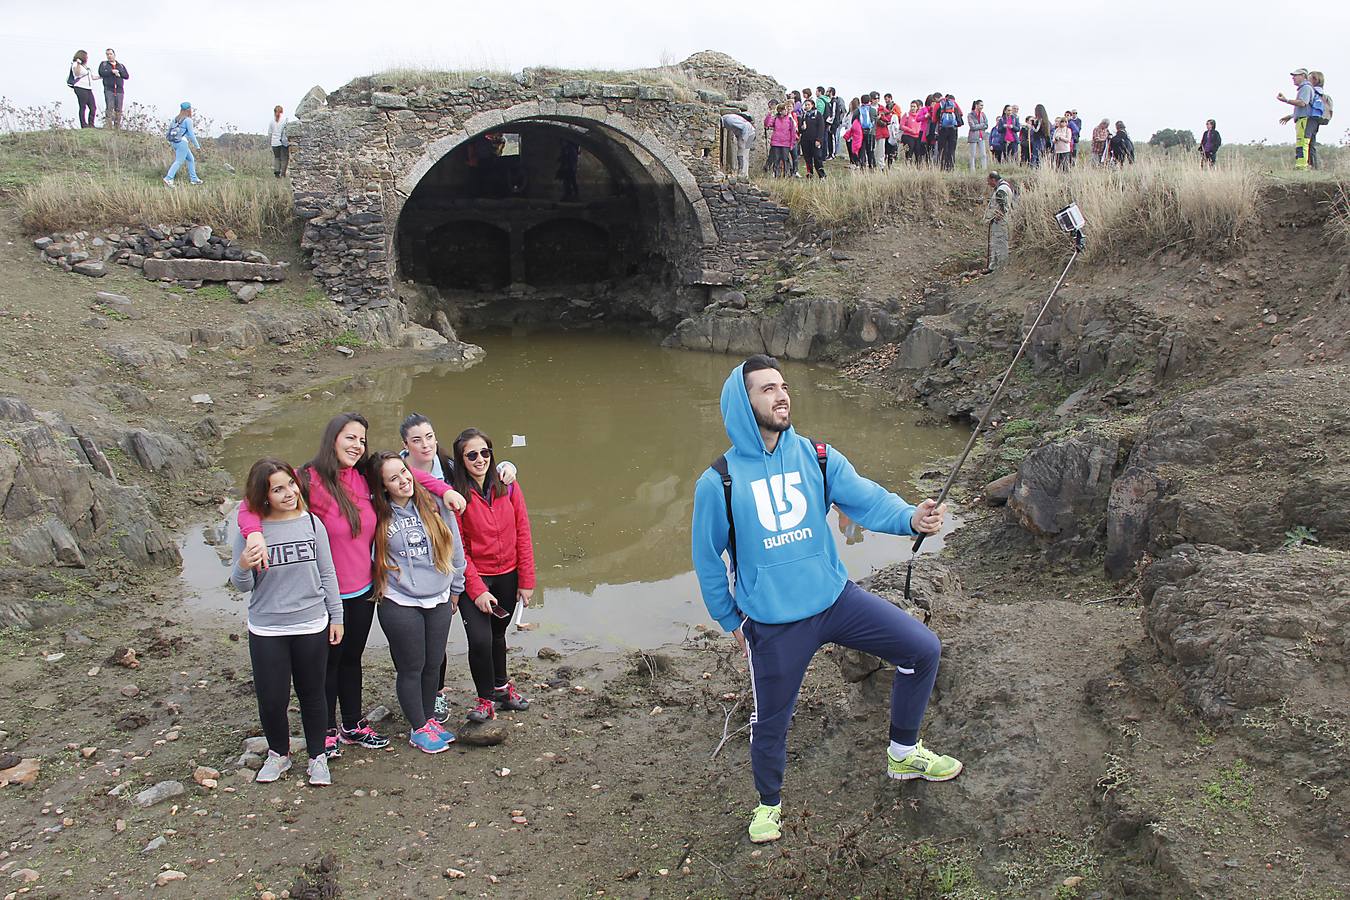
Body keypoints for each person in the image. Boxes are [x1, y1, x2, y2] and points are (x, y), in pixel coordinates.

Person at [691, 355, 960, 845]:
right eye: (766, 389)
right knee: (771, 720)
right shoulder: (719, 481)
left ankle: (903, 752)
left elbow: (867, 499)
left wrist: (910, 518)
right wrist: (729, 617)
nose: (781, 395)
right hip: (773, 624)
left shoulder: (816, 456)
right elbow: (707, 559)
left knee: (922, 649)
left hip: (836, 600)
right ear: (742, 402)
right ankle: (768, 805)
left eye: (783, 385)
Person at [237, 413, 467, 758]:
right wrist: (253, 533)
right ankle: (326, 731)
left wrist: (445, 489)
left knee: (352, 660)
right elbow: (251, 504)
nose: (357, 445)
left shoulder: (362, 477)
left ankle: (352, 725)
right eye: (350, 438)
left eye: (362, 439)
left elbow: (409, 475)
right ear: (333, 439)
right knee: (327, 664)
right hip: (325, 594)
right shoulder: (306, 480)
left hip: (363, 591)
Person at [231, 458, 343, 787]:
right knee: (272, 697)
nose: (289, 493)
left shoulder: (311, 523)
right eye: (277, 489)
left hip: (311, 623)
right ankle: (278, 754)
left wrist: (337, 616)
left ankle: (318, 757)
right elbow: (241, 585)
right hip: (268, 628)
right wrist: (242, 564)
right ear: (263, 495)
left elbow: (327, 573)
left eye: (291, 484)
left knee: (313, 695)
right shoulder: (252, 533)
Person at [368, 451, 468, 754]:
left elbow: (455, 548)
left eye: (404, 472)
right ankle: (418, 727)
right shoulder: (376, 514)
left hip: (438, 595)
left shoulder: (434, 503)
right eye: (393, 478)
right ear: (383, 486)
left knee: (432, 664)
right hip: (399, 600)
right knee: (411, 666)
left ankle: (428, 720)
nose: (403, 480)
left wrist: (457, 587)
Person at [449, 428, 536, 725]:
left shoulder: (507, 486)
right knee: (480, 640)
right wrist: (476, 590)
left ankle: (502, 688)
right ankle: (485, 699)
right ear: (461, 460)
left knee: (498, 636)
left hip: (508, 574)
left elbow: (523, 532)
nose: (480, 459)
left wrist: (527, 581)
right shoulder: (457, 496)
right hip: (477, 577)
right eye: (472, 454)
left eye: (485, 452)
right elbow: (458, 548)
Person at [1277, 68, 1319, 170]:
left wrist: (1286, 100)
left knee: (1302, 142)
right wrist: (1291, 116)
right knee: (1304, 143)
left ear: (1303, 76)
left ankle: (1302, 167)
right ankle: (1304, 166)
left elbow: (1302, 103)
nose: (1293, 78)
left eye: (1296, 75)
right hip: (1304, 119)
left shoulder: (1306, 88)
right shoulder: (1305, 88)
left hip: (1304, 120)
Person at [163, 102, 204, 188]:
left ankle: (194, 179)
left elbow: (168, 132)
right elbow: (191, 135)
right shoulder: (188, 120)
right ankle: (168, 178)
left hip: (174, 142)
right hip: (182, 143)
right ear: (189, 110)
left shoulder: (175, 119)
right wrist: (197, 146)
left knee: (190, 159)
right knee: (179, 161)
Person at [984, 172, 1013, 272]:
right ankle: (993, 266)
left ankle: (1001, 266)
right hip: (1000, 221)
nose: (988, 184)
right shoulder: (1004, 187)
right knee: (996, 243)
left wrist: (997, 217)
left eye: (989, 181)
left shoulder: (1001, 190)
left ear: (993, 180)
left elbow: (1003, 206)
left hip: (1000, 222)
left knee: (1000, 243)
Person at [97, 49, 129, 129]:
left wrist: (119, 73)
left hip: (119, 90)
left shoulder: (120, 65)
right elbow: (101, 73)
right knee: (109, 108)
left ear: (114, 55)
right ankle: (108, 127)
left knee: (118, 109)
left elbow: (126, 76)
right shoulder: (104, 64)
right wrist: (111, 71)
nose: (109, 56)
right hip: (109, 89)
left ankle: (117, 128)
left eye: (110, 54)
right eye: (107, 54)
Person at [765, 104, 797, 178]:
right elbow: (767, 124)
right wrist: (769, 115)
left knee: (785, 159)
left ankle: (786, 174)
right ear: (780, 111)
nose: (786, 111)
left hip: (786, 143)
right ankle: (776, 174)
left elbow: (793, 132)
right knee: (776, 159)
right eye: (785, 109)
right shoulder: (775, 118)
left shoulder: (789, 120)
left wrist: (792, 143)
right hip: (776, 142)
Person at [68, 51, 97, 129]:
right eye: (86, 56)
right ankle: (83, 124)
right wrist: (78, 63)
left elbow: (92, 77)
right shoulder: (75, 64)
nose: (87, 58)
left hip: (88, 88)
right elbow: (77, 74)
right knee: (83, 106)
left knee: (93, 107)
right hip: (80, 87)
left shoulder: (85, 66)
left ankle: (91, 124)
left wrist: (102, 76)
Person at [722, 113, 757, 178]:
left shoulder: (728, 120)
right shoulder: (728, 118)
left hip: (748, 135)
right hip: (751, 133)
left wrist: (743, 138)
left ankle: (742, 175)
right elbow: (737, 129)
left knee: (742, 154)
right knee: (744, 154)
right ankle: (744, 174)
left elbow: (745, 126)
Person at [798, 102, 827, 179]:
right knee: (807, 158)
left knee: (817, 158)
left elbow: (821, 128)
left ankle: (822, 175)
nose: (807, 106)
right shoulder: (803, 115)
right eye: (806, 105)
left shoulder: (818, 115)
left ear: (812, 105)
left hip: (815, 141)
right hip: (805, 141)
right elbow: (800, 129)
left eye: (808, 105)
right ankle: (809, 174)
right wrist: (802, 127)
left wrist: (819, 139)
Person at [936, 93, 963, 171]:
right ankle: (951, 168)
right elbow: (961, 113)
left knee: (942, 149)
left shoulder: (938, 105)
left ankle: (942, 168)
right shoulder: (954, 103)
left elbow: (934, 118)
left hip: (942, 130)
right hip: (953, 130)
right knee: (951, 149)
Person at [267, 106, 292, 178]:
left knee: (277, 157)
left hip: (274, 143)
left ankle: (277, 173)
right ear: (282, 111)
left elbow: (270, 133)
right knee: (284, 158)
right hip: (283, 142)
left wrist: (270, 143)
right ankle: (283, 174)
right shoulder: (285, 120)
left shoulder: (271, 121)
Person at [967, 100, 989, 171]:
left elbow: (986, 125)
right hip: (973, 137)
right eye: (981, 105)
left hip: (981, 136)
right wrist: (981, 125)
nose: (982, 107)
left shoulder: (983, 114)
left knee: (983, 154)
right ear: (976, 105)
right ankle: (972, 171)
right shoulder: (970, 115)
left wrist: (978, 126)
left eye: (982, 105)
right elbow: (972, 126)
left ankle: (984, 169)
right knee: (972, 155)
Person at [858, 95, 877, 170]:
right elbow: (875, 121)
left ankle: (862, 167)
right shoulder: (873, 110)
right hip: (871, 134)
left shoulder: (858, 110)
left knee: (862, 151)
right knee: (870, 151)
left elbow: (854, 121)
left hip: (861, 133)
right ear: (869, 101)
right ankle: (872, 167)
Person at [844, 103, 864, 168]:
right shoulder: (848, 114)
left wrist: (847, 135)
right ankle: (856, 163)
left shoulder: (855, 121)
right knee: (854, 150)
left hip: (855, 138)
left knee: (855, 150)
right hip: (855, 137)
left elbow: (852, 129)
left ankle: (856, 163)